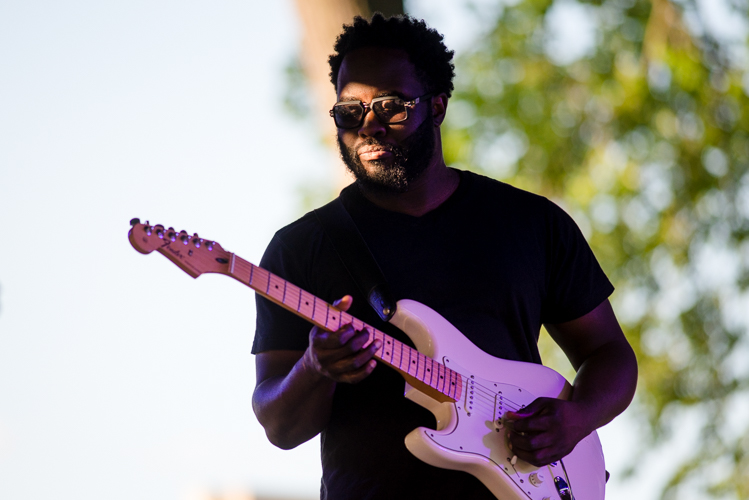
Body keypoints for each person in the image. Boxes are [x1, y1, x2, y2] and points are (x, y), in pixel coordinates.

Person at [251, 13, 637, 500]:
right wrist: (314, 367)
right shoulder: (300, 249)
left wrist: (576, 419)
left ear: (437, 105)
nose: (368, 127)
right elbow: (279, 427)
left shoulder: (531, 223)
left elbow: (611, 355)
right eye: (349, 112)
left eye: (390, 107)